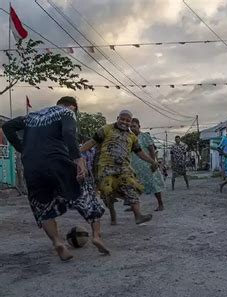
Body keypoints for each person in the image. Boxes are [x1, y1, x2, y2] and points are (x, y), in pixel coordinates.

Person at [2, 96, 109, 261]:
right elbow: (68, 133)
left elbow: (7, 126)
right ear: (74, 107)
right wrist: (78, 159)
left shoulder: (32, 116)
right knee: (86, 193)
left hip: (32, 165)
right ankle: (96, 236)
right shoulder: (66, 113)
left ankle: (58, 242)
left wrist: (22, 148)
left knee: (42, 205)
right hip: (57, 161)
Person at [81, 110, 158, 226]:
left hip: (124, 168)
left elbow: (139, 152)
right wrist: (77, 153)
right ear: (117, 118)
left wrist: (153, 161)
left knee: (132, 187)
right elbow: (92, 142)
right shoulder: (106, 129)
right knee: (108, 194)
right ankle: (113, 215)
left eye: (128, 121)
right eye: (122, 119)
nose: (124, 122)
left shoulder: (132, 137)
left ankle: (138, 216)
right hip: (105, 167)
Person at [130, 118, 165, 212]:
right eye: (131, 127)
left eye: (134, 126)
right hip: (135, 167)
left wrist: (153, 163)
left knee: (154, 185)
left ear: (139, 126)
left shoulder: (145, 136)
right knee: (135, 186)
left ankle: (160, 204)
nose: (132, 128)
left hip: (148, 165)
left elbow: (151, 150)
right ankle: (134, 206)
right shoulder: (129, 138)